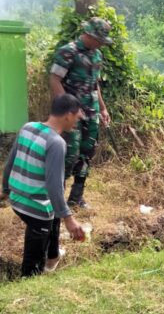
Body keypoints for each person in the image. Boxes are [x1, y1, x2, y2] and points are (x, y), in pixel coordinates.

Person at [1, 94, 86, 277]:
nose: (77, 122)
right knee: (32, 267)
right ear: (68, 115)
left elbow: (10, 162)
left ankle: (52, 258)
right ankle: (31, 277)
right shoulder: (56, 143)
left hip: (16, 198)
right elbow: (54, 187)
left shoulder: (28, 127)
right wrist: (69, 219)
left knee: (53, 214)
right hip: (35, 208)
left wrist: (6, 190)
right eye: (77, 117)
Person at [48, 17, 113, 209]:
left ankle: (76, 198)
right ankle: (56, 199)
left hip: (91, 113)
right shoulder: (68, 52)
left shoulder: (97, 55)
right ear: (89, 35)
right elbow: (54, 79)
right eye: (99, 39)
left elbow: (94, 84)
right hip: (71, 116)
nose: (101, 44)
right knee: (68, 155)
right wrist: (68, 108)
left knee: (86, 154)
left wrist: (103, 108)